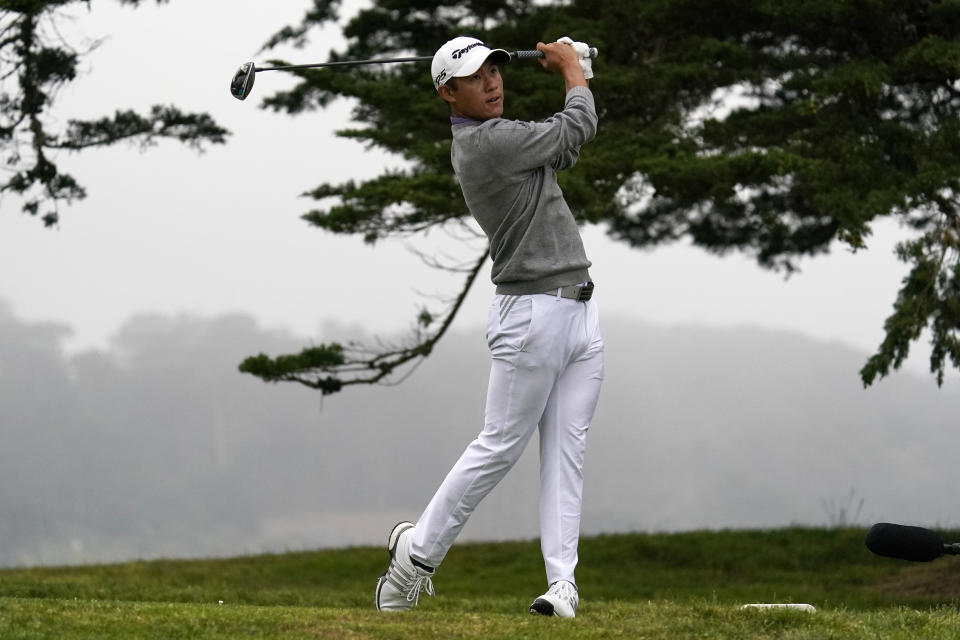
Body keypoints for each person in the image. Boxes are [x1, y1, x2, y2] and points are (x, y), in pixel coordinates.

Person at [375, 35, 603, 618]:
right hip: (531, 315)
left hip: (579, 310)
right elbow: (575, 130)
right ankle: (412, 563)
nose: (493, 82)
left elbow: (564, 149)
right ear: (448, 93)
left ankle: (562, 586)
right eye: (476, 78)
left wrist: (580, 81)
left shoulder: (507, 140)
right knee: (499, 446)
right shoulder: (485, 144)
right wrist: (573, 71)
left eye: (495, 71)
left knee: (566, 453)